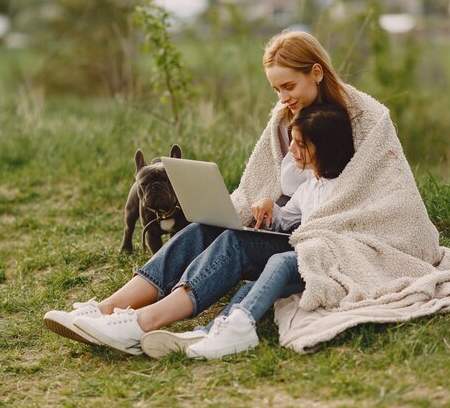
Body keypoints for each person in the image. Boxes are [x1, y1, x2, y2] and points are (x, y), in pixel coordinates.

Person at [43, 30, 354, 356]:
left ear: (316, 73)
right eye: (276, 89)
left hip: (315, 244)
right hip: (282, 228)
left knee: (234, 242)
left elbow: (373, 195)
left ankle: (142, 323)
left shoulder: (356, 118)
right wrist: (256, 206)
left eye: (288, 86)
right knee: (203, 229)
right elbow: (258, 185)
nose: (282, 98)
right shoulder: (284, 120)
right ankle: (107, 308)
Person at [182, 103, 354, 359]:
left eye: (301, 144)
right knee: (249, 289)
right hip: (306, 267)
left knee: (281, 260)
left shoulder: (344, 186)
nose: (292, 150)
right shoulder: (307, 189)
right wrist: (269, 206)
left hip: (327, 263)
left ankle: (242, 327)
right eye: (292, 142)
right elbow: (285, 219)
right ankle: (209, 332)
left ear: (324, 148)